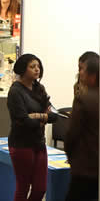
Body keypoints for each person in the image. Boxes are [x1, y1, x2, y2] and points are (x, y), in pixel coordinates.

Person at [6, 54, 57, 201]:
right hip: (21, 144)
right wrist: (42, 117)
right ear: (22, 69)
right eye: (32, 67)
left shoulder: (39, 89)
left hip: (39, 143)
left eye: (38, 67)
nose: (37, 70)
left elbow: (53, 116)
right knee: (23, 187)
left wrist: (36, 116)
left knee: (40, 189)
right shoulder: (15, 91)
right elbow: (23, 120)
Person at [65, 54, 99, 201]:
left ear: (92, 75)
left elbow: (72, 134)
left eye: (82, 70)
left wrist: (71, 156)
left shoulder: (84, 99)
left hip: (85, 166)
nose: (80, 73)